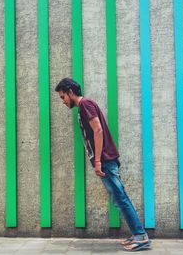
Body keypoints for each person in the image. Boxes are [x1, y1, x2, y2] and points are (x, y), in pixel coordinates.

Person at [55, 78, 151, 252]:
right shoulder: (85, 106)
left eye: (63, 97)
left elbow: (97, 130)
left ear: (70, 92)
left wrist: (98, 160)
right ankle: (137, 235)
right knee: (119, 198)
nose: (63, 101)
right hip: (106, 160)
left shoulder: (85, 105)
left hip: (105, 160)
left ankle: (141, 237)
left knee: (121, 198)